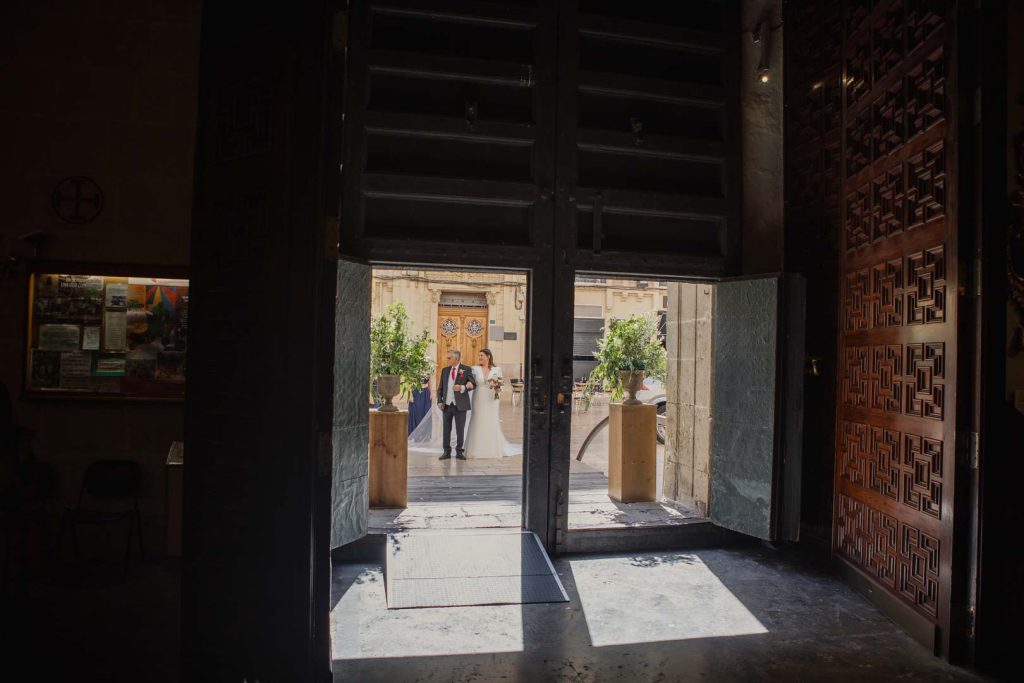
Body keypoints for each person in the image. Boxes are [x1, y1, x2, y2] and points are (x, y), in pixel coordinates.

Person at [465, 349, 522, 459]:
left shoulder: (497, 369)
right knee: (477, 420)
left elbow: (500, 385)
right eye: (479, 355)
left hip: (492, 399)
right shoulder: (475, 369)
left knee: (491, 420)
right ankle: (475, 449)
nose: (480, 357)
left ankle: (491, 449)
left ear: (488, 356)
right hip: (479, 397)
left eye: (481, 355)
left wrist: (496, 386)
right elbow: (471, 381)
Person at [436, 349, 474, 460]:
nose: (447, 360)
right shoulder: (445, 370)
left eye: (449, 358)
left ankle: (459, 452)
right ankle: (446, 452)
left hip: (460, 404)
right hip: (447, 405)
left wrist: (462, 387)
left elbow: (473, 384)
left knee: (460, 429)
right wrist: (439, 401)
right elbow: (440, 388)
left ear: (456, 359)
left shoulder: (466, 369)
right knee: (446, 429)